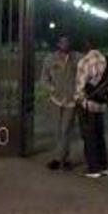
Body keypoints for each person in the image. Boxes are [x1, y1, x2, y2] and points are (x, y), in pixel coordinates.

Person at [74, 36, 108, 178]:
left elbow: (80, 85)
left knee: (89, 137)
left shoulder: (84, 62)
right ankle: (104, 166)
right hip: (101, 104)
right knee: (100, 136)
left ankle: (93, 168)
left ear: (87, 45)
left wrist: (79, 99)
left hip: (88, 104)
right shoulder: (106, 60)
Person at [39, 34, 78, 170]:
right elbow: (44, 78)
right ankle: (58, 157)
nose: (65, 44)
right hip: (56, 99)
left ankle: (62, 158)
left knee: (66, 129)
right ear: (58, 44)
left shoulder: (77, 58)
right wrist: (51, 88)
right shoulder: (50, 59)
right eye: (62, 42)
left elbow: (84, 75)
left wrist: (78, 92)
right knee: (57, 129)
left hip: (71, 100)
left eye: (67, 42)